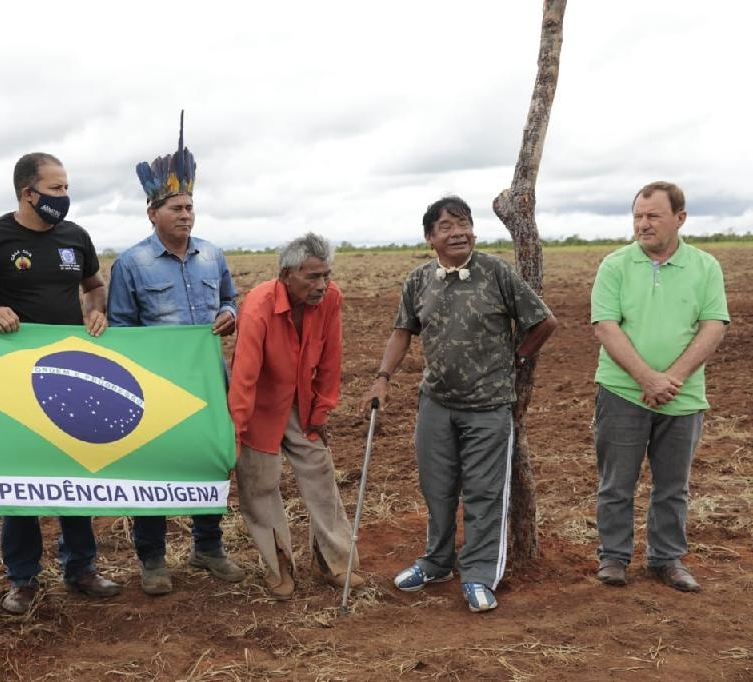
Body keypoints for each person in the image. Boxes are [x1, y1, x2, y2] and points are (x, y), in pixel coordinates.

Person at [0, 152, 121, 615]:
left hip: (70, 374)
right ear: (28, 193)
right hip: (15, 379)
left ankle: (81, 567)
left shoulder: (75, 236)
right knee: (20, 478)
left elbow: (94, 285)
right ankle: (23, 579)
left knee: (75, 468)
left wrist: (96, 309)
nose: (66, 197)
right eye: (57, 189)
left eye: (66, 188)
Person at [361, 196, 556, 613]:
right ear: (430, 238)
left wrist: (516, 357)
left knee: (485, 494)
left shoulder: (496, 272)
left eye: (464, 223)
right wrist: (381, 379)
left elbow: (543, 321)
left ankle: (479, 575)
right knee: (438, 489)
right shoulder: (418, 281)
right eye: (447, 227)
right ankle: (436, 562)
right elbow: (402, 331)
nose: (458, 233)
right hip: (436, 403)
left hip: (488, 406)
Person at [107, 116, 244, 595]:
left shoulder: (212, 255)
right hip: (154, 386)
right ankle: (152, 559)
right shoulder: (131, 263)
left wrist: (230, 313)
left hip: (209, 378)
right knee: (155, 465)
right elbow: (121, 328)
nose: (186, 215)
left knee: (207, 460)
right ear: (152, 213)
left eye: (191, 207)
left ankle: (209, 546)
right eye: (176, 207)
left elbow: (231, 298)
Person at [591, 181, 729, 592]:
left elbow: (714, 325)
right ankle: (613, 557)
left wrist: (673, 378)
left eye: (653, 216)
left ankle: (666, 559)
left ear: (680, 219)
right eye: (637, 216)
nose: (643, 224)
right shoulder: (615, 265)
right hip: (621, 391)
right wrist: (646, 378)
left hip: (682, 396)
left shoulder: (705, 267)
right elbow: (605, 326)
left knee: (673, 486)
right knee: (617, 482)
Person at [229, 232, 362, 600]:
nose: (322, 285)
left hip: (303, 404)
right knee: (260, 484)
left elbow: (332, 358)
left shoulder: (330, 299)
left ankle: (333, 563)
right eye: (313, 277)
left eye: (327, 275)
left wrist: (321, 410)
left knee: (320, 476)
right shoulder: (259, 305)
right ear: (287, 275)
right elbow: (245, 373)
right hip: (259, 406)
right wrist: (236, 432)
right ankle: (279, 568)